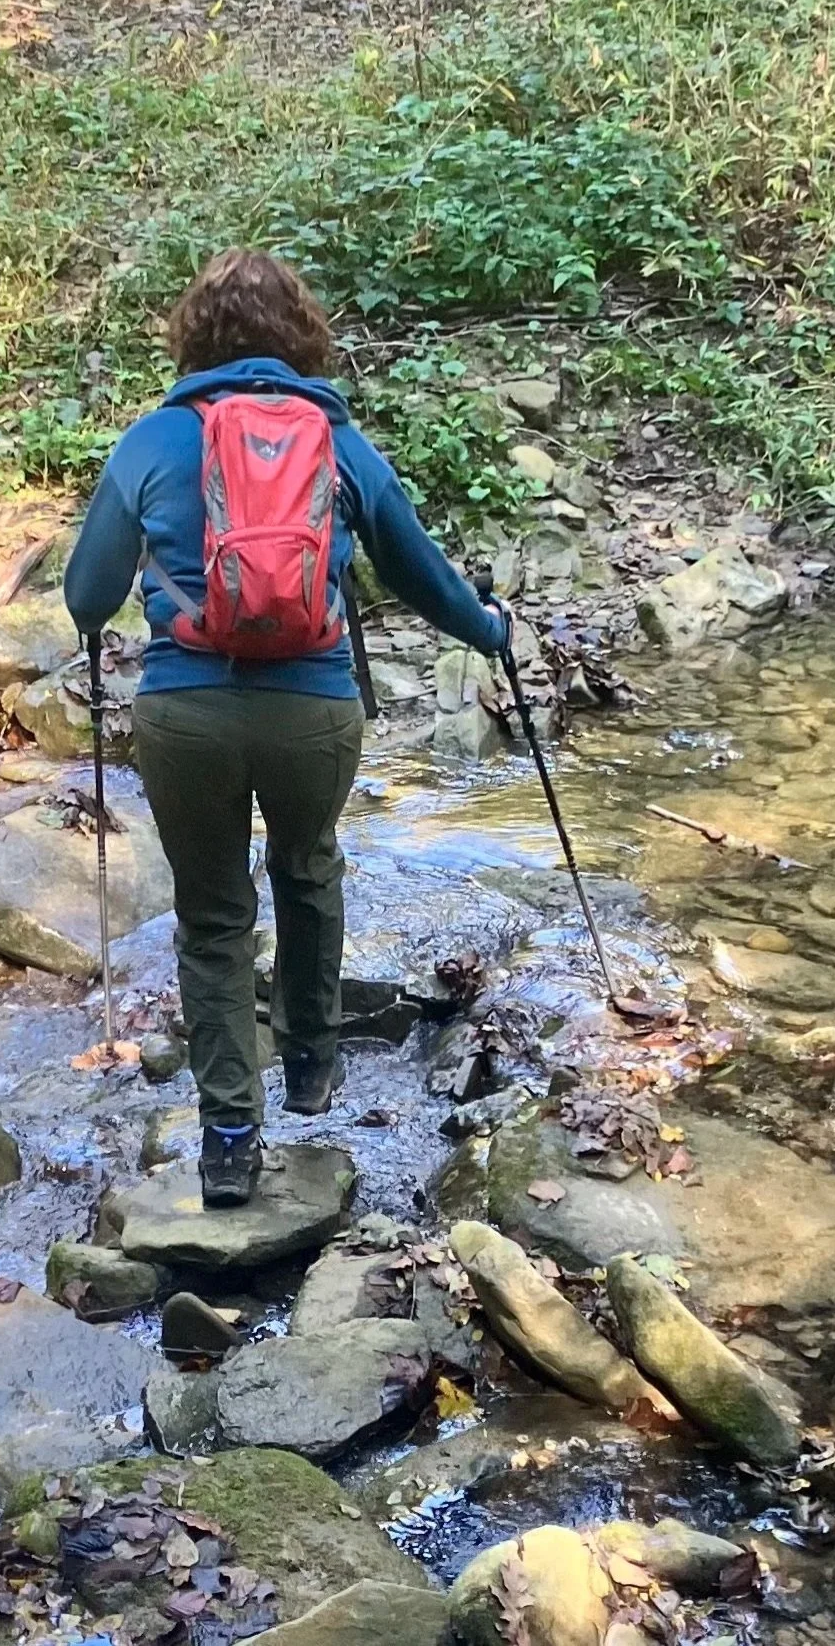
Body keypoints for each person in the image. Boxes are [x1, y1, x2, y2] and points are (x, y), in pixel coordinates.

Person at [64, 248, 508, 1208]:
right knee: (308, 868)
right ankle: (310, 1063)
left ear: (191, 336)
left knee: (214, 917)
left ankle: (229, 1136)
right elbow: (421, 575)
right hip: (313, 708)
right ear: (302, 335)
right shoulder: (338, 443)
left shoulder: (151, 439)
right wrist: (491, 631)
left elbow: (87, 595)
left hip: (186, 713)